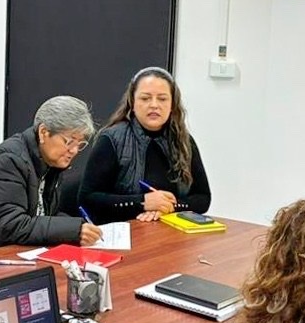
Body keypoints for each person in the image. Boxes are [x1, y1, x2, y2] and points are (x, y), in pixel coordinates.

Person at [0, 95, 101, 254]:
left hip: (18, 250)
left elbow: (44, 214)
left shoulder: (51, 163)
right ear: (43, 132)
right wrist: (73, 230)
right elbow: (10, 225)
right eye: (69, 142)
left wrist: (83, 227)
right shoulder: (10, 160)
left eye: (80, 144)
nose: (74, 150)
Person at [79, 67, 211, 223]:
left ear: (172, 105)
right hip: (123, 229)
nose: (154, 105)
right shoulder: (111, 139)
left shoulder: (184, 141)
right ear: (132, 102)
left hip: (171, 228)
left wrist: (168, 206)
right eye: (145, 98)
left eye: (162, 99)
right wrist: (143, 202)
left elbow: (203, 198)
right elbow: (87, 199)